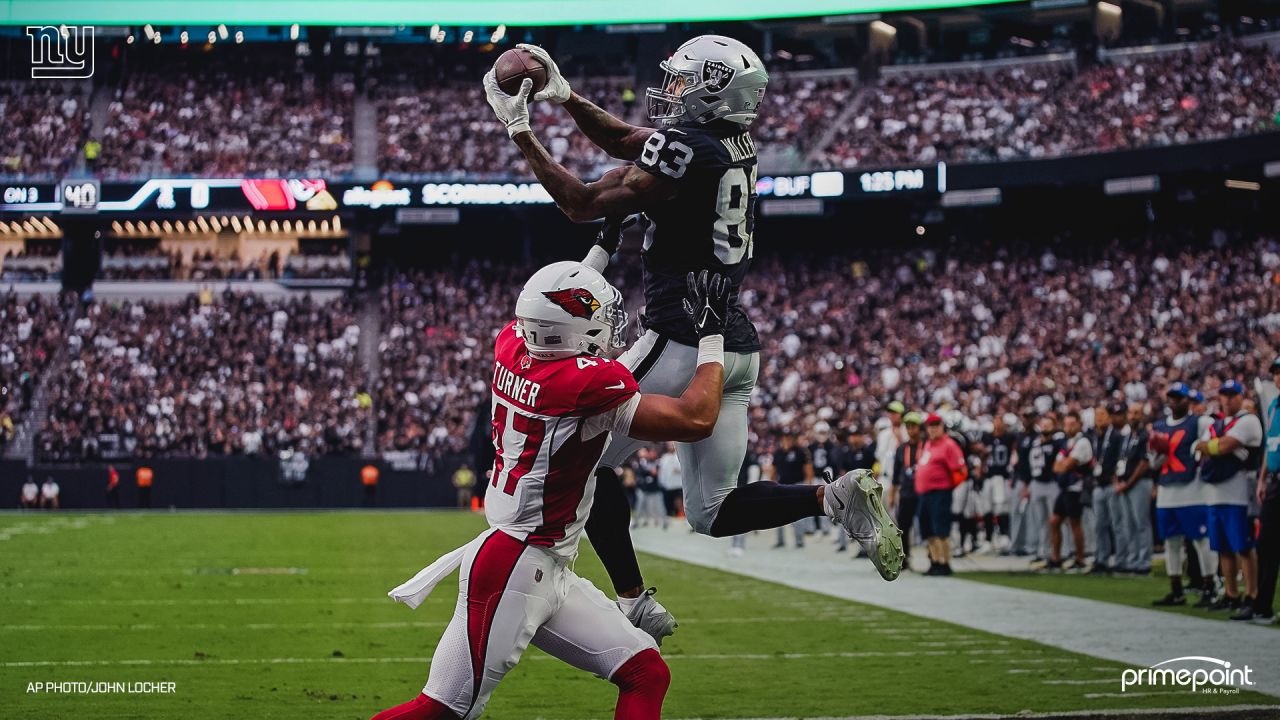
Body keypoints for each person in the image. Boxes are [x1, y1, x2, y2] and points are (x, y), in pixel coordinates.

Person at [484, 38, 903, 639]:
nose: (671, 92)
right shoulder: (728, 142)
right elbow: (636, 143)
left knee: (584, 464)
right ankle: (832, 498)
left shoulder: (692, 149)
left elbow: (580, 203)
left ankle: (632, 600)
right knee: (713, 511)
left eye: (684, 82)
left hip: (678, 341)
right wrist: (567, 96)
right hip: (734, 342)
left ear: (713, 91)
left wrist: (520, 129)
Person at [371, 263, 726, 720]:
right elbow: (696, 420)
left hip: (541, 562)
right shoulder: (587, 383)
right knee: (441, 709)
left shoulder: (511, 345)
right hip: (517, 566)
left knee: (646, 672)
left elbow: (547, 305)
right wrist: (712, 336)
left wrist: (600, 249)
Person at [1197, 380, 1262, 611]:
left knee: (1244, 546)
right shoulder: (1217, 423)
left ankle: (1252, 594)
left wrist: (1213, 447)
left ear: (1240, 397)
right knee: (1223, 548)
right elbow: (1199, 447)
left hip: (1239, 493)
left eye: (1232, 395)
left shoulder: (1249, 420)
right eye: (1224, 395)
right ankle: (1231, 594)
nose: (1227, 399)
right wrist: (1218, 446)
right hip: (1216, 493)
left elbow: (1224, 445)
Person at [1151, 383, 1216, 606]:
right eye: (1171, 397)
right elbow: (1154, 462)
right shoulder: (1159, 426)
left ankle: (1209, 586)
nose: (1173, 402)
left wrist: (1201, 446)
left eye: (1178, 398)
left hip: (1192, 489)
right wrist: (1156, 452)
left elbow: (1214, 434)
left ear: (1188, 401)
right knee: (1171, 542)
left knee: (1201, 540)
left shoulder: (1200, 422)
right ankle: (1176, 589)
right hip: (1167, 489)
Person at [1237, 358, 1280, 623]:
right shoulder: (1274, 406)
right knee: (1266, 545)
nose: (1278, 378)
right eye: (1276, 373)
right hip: (1275, 481)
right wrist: (1263, 478)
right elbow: (1270, 446)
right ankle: (1262, 605)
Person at [916, 413, 967, 576]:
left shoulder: (949, 445)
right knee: (928, 529)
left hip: (940, 492)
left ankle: (945, 562)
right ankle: (935, 561)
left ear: (942, 427)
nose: (933, 429)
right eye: (930, 426)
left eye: (936, 425)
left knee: (941, 529)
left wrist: (948, 486)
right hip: (925, 493)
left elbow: (960, 471)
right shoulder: (928, 445)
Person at [1046, 412, 1093, 572]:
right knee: (1054, 521)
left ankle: (1080, 557)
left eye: (1072, 424)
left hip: (1077, 487)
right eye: (1066, 424)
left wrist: (1064, 464)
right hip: (1065, 487)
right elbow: (1056, 466)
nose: (1069, 427)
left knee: (1075, 523)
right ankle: (1056, 557)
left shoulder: (1083, 442)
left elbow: (1066, 465)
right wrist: (1063, 464)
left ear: (1079, 424)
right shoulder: (1067, 442)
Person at [1113, 403, 1154, 574]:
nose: (1132, 416)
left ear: (1142, 416)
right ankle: (1132, 559)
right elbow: (1120, 460)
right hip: (1125, 484)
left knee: (1141, 523)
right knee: (1128, 523)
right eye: (1131, 413)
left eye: (1136, 413)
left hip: (1139, 483)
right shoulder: (1127, 436)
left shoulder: (1145, 435)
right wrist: (1118, 481)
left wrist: (1128, 482)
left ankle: (1144, 561)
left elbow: (1144, 463)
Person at [1090, 404, 1127, 572]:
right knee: (1099, 525)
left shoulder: (1117, 437)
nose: (1099, 419)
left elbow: (1122, 458)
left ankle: (1121, 560)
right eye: (1097, 415)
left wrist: (1118, 478)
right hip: (1098, 483)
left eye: (1103, 415)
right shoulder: (1094, 436)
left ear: (1109, 417)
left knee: (1117, 524)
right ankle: (1102, 559)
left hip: (1112, 484)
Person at [1025, 415, 1065, 567]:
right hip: (1037, 482)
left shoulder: (1057, 442)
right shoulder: (1035, 442)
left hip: (1052, 483)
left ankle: (1061, 552)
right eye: (1043, 424)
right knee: (1041, 521)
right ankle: (1043, 552)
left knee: (1056, 520)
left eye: (1048, 424)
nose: (1045, 427)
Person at [890, 412, 925, 570]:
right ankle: (904, 559)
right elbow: (896, 474)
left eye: (914, 426)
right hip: (905, 493)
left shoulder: (925, 446)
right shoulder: (901, 448)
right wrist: (892, 493)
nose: (911, 430)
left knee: (927, 525)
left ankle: (934, 558)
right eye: (908, 427)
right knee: (902, 527)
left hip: (922, 492)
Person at [771, 432, 813, 549]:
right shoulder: (778, 453)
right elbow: (773, 470)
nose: (787, 441)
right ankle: (780, 541)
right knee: (777, 515)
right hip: (780, 486)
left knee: (797, 516)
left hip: (797, 486)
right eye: (785, 438)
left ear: (793, 439)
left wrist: (808, 485)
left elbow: (808, 469)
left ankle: (799, 541)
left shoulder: (800, 452)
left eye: (789, 438)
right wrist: (771, 484)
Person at [632, 447, 666, 529]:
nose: (642, 454)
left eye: (644, 452)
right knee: (640, 506)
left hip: (654, 488)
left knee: (658, 506)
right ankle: (637, 521)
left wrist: (653, 472)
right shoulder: (637, 462)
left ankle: (663, 522)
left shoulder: (656, 462)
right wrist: (649, 472)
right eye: (640, 452)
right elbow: (639, 472)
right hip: (642, 488)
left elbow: (657, 472)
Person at [656, 443, 682, 527]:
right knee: (667, 504)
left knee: (680, 503)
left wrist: (678, 470)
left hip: (678, 485)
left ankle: (685, 519)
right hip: (667, 485)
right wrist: (661, 482)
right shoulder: (664, 457)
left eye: (672, 445)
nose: (670, 446)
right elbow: (661, 471)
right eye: (669, 445)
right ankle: (666, 520)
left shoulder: (680, 456)